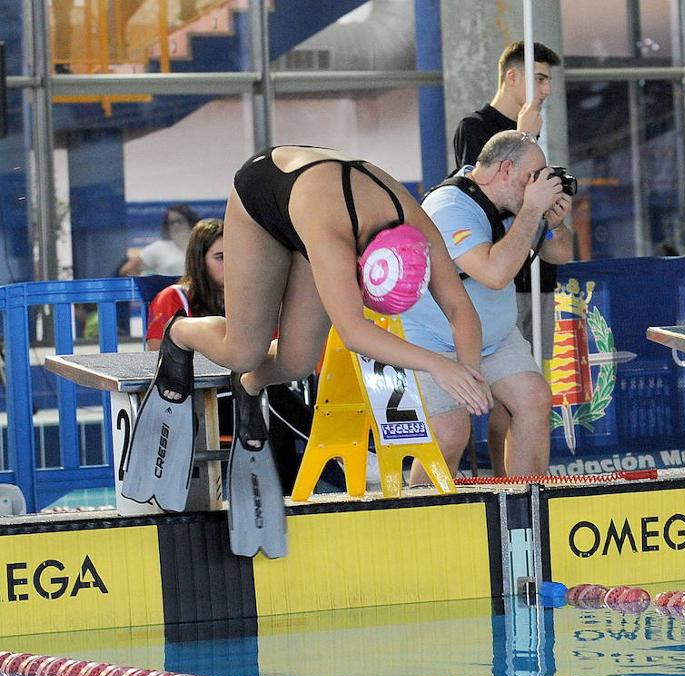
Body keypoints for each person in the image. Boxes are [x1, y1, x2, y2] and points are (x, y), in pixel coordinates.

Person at [125, 146, 490, 532]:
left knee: (296, 363)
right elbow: (354, 333)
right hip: (265, 193)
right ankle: (180, 332)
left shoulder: (421, 231)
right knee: (243, 351)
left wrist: (469, 373)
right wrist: (438, 364)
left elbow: (461, 309)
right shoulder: (333, 237)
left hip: (315, 203)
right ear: (360, 265)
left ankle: (251, 386)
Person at [402, 130, 573, 479]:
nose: (536, 186)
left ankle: (526, 508)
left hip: (494, 338)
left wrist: (553, 222)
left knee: (534, 399)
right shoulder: (449, 206)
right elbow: (493, 273)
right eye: (532, 177)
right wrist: (532, 209)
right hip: (435, 342)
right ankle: (420, 515)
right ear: (506, 170)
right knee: (451, 433)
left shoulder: (509, 201)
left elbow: (561, 253)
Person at [452, 40, 569, 474]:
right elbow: (482, 200)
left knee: (528, 395)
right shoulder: (477, 128)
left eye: (550, 82)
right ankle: (497, 479)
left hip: (536, 278)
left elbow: (551, 229)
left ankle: (522, 484)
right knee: (484, 404)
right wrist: (525, 133)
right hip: (493, 282)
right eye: (538, 79)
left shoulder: (541, 133)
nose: (545, 91)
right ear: (512, 77)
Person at [144, 218, 225, 349]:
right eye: (220, 257)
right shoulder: (172, 298)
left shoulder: (254, 300)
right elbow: (157, 360)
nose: (230, 264)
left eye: (235, 256)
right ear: (199, 260)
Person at [120, 204, 199, 277]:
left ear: (190, 222)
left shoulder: (199, 246)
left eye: (179, 221)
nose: (176, 225)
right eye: (171, 223)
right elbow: (127, 270)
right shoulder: (159, 247)